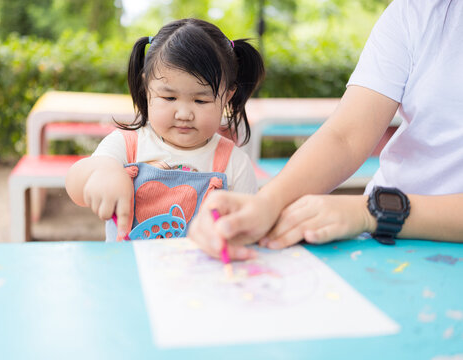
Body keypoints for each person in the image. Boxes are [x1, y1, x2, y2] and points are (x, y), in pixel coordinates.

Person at [189, 0, 463, 260]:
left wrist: (370, 211)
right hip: (380, 240)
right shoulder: (416, 11)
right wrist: (266, 203)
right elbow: (345, 136)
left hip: (387, 223)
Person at [65, 18, 265, 241]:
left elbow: (250, 229)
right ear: (146, 88)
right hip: (130, 270)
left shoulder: (234, 163)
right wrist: (103, 171)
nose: (184, 114)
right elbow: (75, 186)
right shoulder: (125, 145)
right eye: (169, 97)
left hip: (201, 273)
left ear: (227, 96)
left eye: (201, 101)